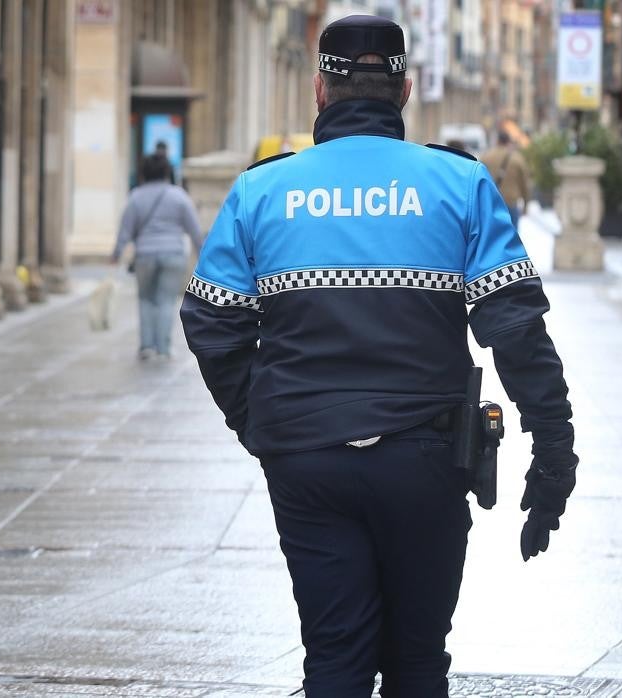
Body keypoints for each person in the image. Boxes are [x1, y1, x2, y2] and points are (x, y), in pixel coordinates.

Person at [181, 15, 578, 697]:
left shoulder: (261, 190)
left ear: (319, 91)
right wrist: (554, 452)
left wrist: (264, 421)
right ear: (405, 90)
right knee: (418, 659)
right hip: (425, 458)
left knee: (333, 656)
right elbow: (516, 330)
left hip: (306, 458)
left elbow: (210, 320)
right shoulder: (459, 183)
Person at [113, 153, 203, 360]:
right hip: (173, 254)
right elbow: (195, 230)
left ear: (143, 173)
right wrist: (202, 254)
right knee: (166, 300)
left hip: (144, 254)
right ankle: (163, 347)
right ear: (167, 172)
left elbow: (125, 229)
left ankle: (146, 346)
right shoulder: (179, 196)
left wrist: (117, 252)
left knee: (145, 299)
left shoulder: (135, 196)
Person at [479, 129, 532, 229]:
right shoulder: (517, 159)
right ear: (508, 142)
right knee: (512, 239)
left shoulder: (486, 157)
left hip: (491, 203)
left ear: (497, 141)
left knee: (492, 237)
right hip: (510, 203)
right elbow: (525, 184)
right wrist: (526, 205)